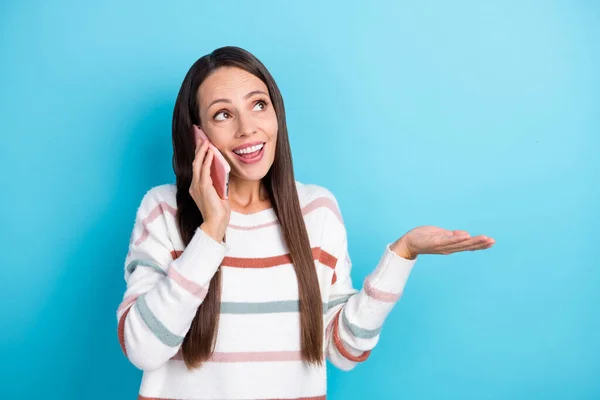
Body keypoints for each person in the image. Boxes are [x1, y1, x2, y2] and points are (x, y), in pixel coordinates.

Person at [116, 46, 495, 400]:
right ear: (197, 134)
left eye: (259, 105)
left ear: (277, 114)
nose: (247, 128)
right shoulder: (163, 210)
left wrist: (402, 254)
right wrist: (212, 230)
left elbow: (344, 350)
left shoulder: (317, 210)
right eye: (223, 114)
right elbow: (143, 349)